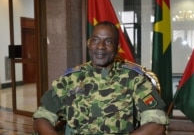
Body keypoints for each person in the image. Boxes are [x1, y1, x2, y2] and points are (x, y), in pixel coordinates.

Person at [32, 21, 169, 135]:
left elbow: (157, 124)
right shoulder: (71, 79)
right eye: (95, 40)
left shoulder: (134, 79)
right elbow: (41, 117)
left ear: (117, 47)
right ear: (88, 43)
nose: (100, 47)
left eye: (108, 41)